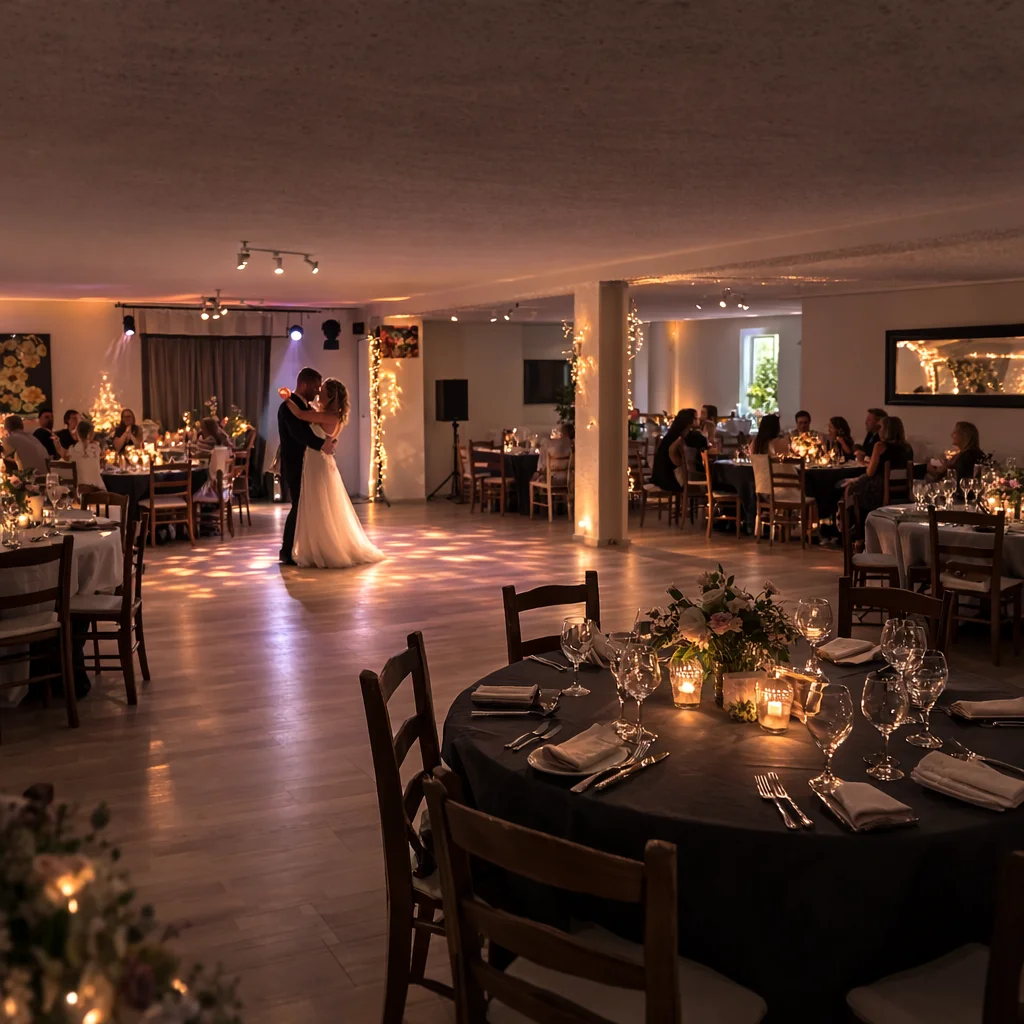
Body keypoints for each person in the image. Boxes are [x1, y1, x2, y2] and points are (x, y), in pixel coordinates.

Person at [282, 377, 384, 568]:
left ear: (331, 397)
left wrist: (287, 399)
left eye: (322, 391)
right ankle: (315, 546)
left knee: (319, 504)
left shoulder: (328, 417)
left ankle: (322, 548)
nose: (318, 393)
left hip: (317, 463)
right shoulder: (332, 416)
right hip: (318, 461)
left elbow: (300, 415)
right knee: (320, 504)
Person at [847, 415, 913, 519]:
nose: (878, 430)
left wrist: (861, 460)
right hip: (902, 491)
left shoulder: (880, 446)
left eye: (880, 427)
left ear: (886, 430)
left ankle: (850, 523)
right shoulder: (907, 447)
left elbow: (870, 473)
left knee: (850, 488)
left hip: (880, 490)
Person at [68, 420, 103, 490]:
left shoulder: (72, 450)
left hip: (78, 489)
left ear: (77, 433)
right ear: (91, 434)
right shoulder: (96, 449)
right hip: (96, 489)